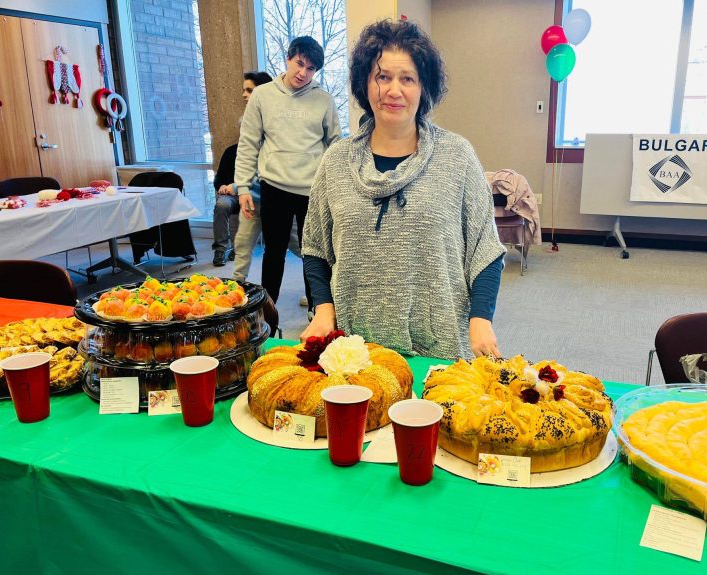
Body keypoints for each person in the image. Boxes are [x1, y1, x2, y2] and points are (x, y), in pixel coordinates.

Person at [300, 19, 506, 360]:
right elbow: (316, 247)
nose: (394, 90)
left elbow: (485, 248)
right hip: (355, 352)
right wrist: (323, 309)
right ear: (365, 84)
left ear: (424, 87)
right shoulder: (335, 161)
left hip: (439, 350)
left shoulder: (457, 156)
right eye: (383, 77)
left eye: (407, 78)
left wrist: (481, 318)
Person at [234, 36, 340, 308]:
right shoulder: (262, 95)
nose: (303, 73)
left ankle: (317, 311)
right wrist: (243, 186)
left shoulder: (324, 100)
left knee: (314, 254)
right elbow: (248, 143)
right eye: (299, 64)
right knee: (274, 252)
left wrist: (335, 187)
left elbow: (335, 145)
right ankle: (269, 312)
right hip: (274, 187)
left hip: (312, 191)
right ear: (288, 58)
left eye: (311, 69)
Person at [212, 71, 273, 269]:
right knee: (223, 204)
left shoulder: (269, 142)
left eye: (249, 90)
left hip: (262, 192)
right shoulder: (232, 151)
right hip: (234, 192)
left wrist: (237, 187)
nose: (244, 95)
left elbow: (262, 174)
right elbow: (220, 178)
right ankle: (221, 249)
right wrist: (225, 187)